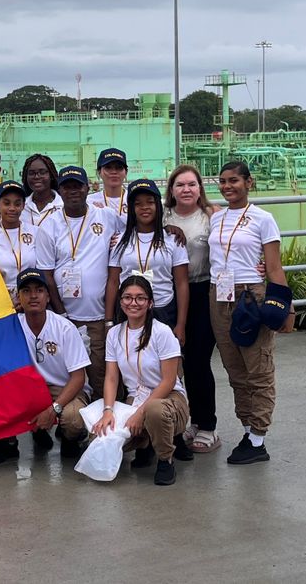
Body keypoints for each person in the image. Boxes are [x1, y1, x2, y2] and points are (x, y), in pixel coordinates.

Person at [209, 160, 293, 465]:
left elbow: (273, 267)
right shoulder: (216, 218)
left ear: (249, 183)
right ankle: (247, 429)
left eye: (234, 181)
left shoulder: (263, 219)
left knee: (258, 369)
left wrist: (287, 309)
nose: (228, 186)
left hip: (250, 295)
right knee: (234, 370)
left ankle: (258, 437)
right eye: (223, 181)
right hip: (219, 296)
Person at [90, 276, 189, 486]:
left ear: (150, 303)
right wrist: (108, 410)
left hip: (168, 399)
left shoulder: (162, 332)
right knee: (99, 434)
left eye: (140, 298)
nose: (133, 303)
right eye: (127, 297)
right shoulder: (115, 334)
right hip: (135, 398)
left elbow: (168, 381)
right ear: (120, 301)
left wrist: (139, 413)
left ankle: (165, 459)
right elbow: (111, 376)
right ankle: (145, 445)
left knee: (154, 411)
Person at [51, 165, 122, 399]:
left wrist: (169, 228)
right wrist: (61, 315)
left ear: (87, 187)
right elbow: (47, 275)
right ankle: (73, 426)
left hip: (98, 317)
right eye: (67, 186)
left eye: (77, 186)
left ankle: (104, 428)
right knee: (68, 374)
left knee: (101, 374)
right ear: (59, 191)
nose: (73, 191)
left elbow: (139, 228)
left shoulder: (106, 216)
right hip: (66, 319)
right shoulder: (50, 224)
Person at [165, 163, 221, 454]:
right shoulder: (161, 217)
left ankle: (206, 424)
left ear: (200, 189)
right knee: (172, 363)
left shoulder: (212, 218)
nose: (186, 189)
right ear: (171, 191)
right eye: (180, 185)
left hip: (201, 290)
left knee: (198, 360)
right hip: (166, 293)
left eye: (191, 184)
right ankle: (181, 423)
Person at [15, 269, 89, 459]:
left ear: (48, 296)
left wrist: (53, 409)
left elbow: (78, 377)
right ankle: (21, 438)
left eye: (39, 290)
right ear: (18, 297)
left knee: (73, 420)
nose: (33, 296)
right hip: (30, 387)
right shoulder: (13, 326)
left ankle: (70, 438)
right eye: (26, 291)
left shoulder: (64, 327)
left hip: (63, 387)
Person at [106, 180, 190, 338]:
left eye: (150, 202)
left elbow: (181, 283)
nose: (145, 207)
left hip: (163, 310)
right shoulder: (119, 241)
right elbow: (113, 281)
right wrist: (109, 321)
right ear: (131, 208)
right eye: (138, 204)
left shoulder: (173, 239)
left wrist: (181, 324)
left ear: (158, 205)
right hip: (128, 310)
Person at [0, 182, 57, 305]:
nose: (12, 208)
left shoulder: (36, 233)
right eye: (6, 203)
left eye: (17, 204)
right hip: (0, 303)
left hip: (32, 301)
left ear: (24, 205)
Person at [20, 154, 64, 230]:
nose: (37, 176)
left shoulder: (63, 206)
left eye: (42, 172)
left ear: (51, 176)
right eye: (31, 173)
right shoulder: (20, 207)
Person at [88, 148, 130, 216]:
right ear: (99, 172)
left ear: (126, 172)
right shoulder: (89, 202)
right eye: (108, 168)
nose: (114, 172)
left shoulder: (134, 200)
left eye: (119, 168)